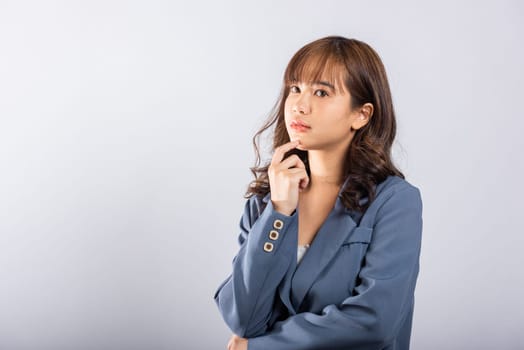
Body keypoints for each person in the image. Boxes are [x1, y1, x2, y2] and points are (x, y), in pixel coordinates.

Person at [214, 36, 423, 350]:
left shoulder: (393, 201)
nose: (300, 104)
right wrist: (279, 212)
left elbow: (374, 322)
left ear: (361, 114)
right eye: (295, 88)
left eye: (321, 92)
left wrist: (262, 347)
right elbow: (243, 319)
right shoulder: (266, 201)